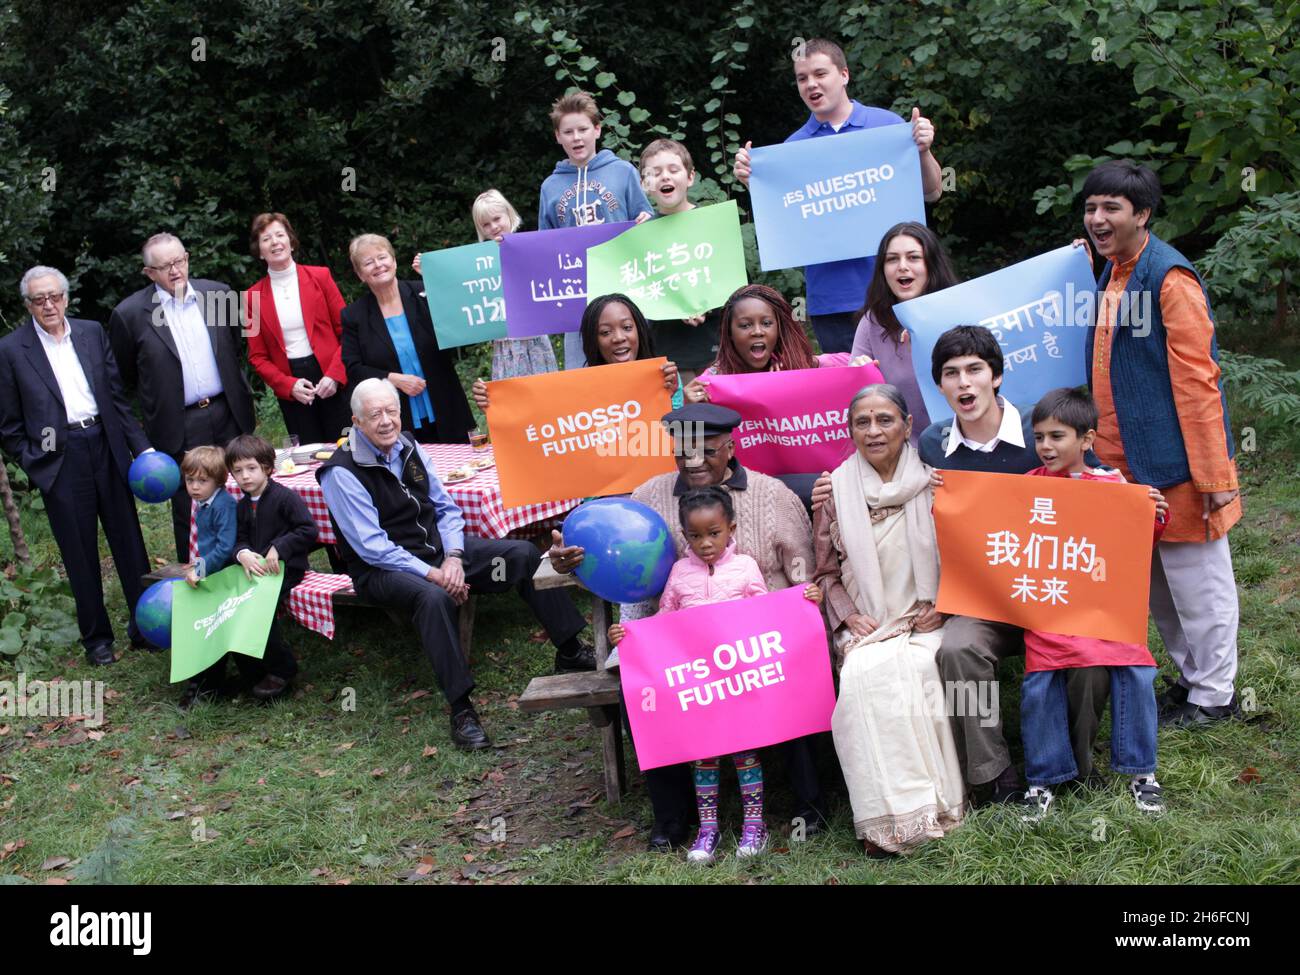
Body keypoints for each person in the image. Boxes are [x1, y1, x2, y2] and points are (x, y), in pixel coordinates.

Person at [550, 403, 825, 849]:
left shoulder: (772, 495)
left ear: (731, 447)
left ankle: (807, 803)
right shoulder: (648, 497)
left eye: (707, 450)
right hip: (682, 646)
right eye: (683, 453)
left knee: (793, 671)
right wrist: (570, 565)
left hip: (759, 638)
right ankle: (673, 818)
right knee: (639, 689)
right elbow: (618, 560)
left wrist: (798, 606)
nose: (694, 462)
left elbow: (801, 570)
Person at [317, 378, 593, 750]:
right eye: (375, 415)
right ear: (357, 421)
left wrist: (454, 558)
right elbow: (372, 547)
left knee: (522, 554)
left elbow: (446, 508)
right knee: (432, 598)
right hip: (381, 571)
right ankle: (461, 708)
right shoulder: (342, 471)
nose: (386, 421)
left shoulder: (409, 446)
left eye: (392, 411)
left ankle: (570, 649)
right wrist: (436, 574)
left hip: (437, 554)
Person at [1080, 160, 1242, 728]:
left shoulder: (1169, 279)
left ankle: (1217, 696)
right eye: (1092, 207)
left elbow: (1200, 383)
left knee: (1198, 583)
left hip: (1176, 464)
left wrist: (1215, 479)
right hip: (1123, 466)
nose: (1098, 219)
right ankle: (1193, 682)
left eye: (1111, 209)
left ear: (1142, 214)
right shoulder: (1113, 270)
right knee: (1155, 584)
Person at [608, 487, 823, 863]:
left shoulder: (745, 568)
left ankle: (754, 824)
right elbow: (663, 624)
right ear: (684, 535)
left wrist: (803, 602)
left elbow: (766, 612)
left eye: (714, 533)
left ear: (730, 529)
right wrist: (630, 637)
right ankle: (708, 829)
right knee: (702, 757)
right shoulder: (678, 574)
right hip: (700, 689)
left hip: (738, 684)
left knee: (745, 752)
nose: (705, 543)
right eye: (695, 536)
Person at [990, 388, 1167, 819]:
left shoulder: (1114, 485)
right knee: (1040, 683)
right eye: (1039, 437)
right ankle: (1042, 778)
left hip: (1105, 610)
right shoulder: (1029, 486)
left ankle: (1141, 774)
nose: (1046, 446)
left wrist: (1155, 515)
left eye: (1057, 436)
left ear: (1087, 440)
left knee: (1137, 673)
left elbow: (1136, 545)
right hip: (1050, 610)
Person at [813, 383, 966, 854]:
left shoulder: (937, 481)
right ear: (850, 430)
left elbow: (966, 557)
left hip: (926, 616)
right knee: (861, 676)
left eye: (885, 420)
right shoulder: (833, 490)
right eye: (863, 422)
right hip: (868, 623)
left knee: (920, 668)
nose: (874, 431)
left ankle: (939, 806)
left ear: (907, 425)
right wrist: (848, 615)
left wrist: (942, 604)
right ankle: (887, 822)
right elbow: (824, 573)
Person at [732, 38, 943, 354]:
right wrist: (755, 184)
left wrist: (923, 151)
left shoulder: (888, 126)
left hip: (899, 289)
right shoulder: (790, 150)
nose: (811, 84)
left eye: (820, 74)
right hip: (833, 300)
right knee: (855, 398)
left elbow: (933, 192)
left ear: (844, 74)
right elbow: (786, 225)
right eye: (802, 78)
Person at [0, 266, 153, 666]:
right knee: (79, 551)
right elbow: (11, 425)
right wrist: (39, 460)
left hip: (106, 443)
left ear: (66, 297)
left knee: (129, 543)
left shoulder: (90, 332)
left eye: (54, 296)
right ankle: (97, 639)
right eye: (38, 299)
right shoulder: (11, 350)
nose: (48, 305)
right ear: (28, 305)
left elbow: (117, 398)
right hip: (60, 457)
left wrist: (143, 449)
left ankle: (145, 627)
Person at [108, 233, 257, 562]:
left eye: (179, 261)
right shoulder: (129, 314)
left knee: (246, 492)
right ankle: (200, 587)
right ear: (149, 273)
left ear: (187, 258)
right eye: (164, 266)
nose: (175, 271)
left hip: (228, 412)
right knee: (192, 508)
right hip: (179, 424)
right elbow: (123, 378)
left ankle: (255, 579)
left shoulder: (217, 294)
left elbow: (235, 347)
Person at [684, 283, 857, 506]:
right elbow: (688, 457)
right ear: (730, 333)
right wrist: (690, 410)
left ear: (779, 328)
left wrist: (812, 364)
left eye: (766, 323)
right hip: (742, 491)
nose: (757, 331)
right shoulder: (713, 381)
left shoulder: (798, 366)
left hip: (811, 483)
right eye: (745, 325)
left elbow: (850, 363)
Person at [538, 90, 654, 371]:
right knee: (584, 375)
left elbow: (646, 216)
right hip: (577, 298)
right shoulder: (550, 187)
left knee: (636, 369)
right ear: (558, 136)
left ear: (597, 130)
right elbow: (544, 246)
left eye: (583, 129)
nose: (576, 137)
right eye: (568, 131)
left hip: (626, 288)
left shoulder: (622, 172)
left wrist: (644, 222)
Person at [340, 234, 475, 445]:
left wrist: (435, 285)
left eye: (382, 257)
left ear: (393, 261)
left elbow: (461, 329)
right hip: (397, 418)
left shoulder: (424, 292)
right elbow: (353, 367)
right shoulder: (353, 316)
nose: (378, 265)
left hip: (447, 405)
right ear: (360, 274)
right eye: (368, 262)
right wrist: (393, 379)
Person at [411, 189, 559, 381]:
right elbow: (457, 288)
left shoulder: (530, 246)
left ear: (509, 214)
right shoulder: (478, 261)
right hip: (504, 343)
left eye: (497, 218)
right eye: (486, 224)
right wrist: (430, 272)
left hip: (535, 339)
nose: (494, 227)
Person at [243, 212, 351, 444]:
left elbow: (348, 332)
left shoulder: (321, 277)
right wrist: (288, 386)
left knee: (347, 449)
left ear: (291, 241)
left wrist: (334, 375)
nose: (275, 242)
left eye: (280, 235)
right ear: (259, 251)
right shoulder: (251, 297)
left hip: (331, 376)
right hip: (292, 385)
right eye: (266, 239)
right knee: (309, 456)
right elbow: (257, 356)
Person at [850, 221, 962, 443]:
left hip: (963, 440)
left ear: (931, 264)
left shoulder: (959, 310)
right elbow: (857, 401)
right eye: (892, 259)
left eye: (913, 257)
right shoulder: (872, 321)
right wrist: (857, 375)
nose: (902, 266)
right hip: (899, 448)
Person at [472, 293, 682, 411]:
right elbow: (537, 422)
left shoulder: (667, 377)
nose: (618, 337)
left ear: (640, 331)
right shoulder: (578, 390)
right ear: (594, 341)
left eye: (627, 327)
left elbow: (689, 444)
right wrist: (496, 405)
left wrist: (675, 401)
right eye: (605, 332)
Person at [228, 433, 318, 701]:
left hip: (286, 569)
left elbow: (307, 530)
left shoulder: (284, 497)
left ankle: (282, 669)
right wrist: (242, 554)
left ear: (267, 467)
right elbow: (240, 539)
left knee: (258, 608)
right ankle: (252, 670)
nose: (245, 476)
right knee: (232, 606)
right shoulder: (243, 506)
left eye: (251, 468)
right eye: (238, 471)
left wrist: (280, 547)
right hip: (255, 571)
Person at [639, 139, 721, 382]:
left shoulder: (714, 224)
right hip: (667, 360)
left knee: (723, 419)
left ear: (690, 177)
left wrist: (707, 304)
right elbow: (640, 294)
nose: (665, 177)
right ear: (645, 184)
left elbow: (736, 287)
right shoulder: (640, 235)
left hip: (716, 352)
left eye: (673, 170)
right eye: (655, 173)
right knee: (683, 421)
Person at [176, 444, 240, 709]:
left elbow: (226, 547)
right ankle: (197, 680)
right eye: (190, 480)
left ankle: (210, 684)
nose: (194, 487)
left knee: (215, 626)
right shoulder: (202, 502)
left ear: (219, 480)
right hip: (206, 570)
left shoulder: (223, 505)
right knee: (199, 622)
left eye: (202, 481)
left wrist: (200, 569)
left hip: (222, 573)